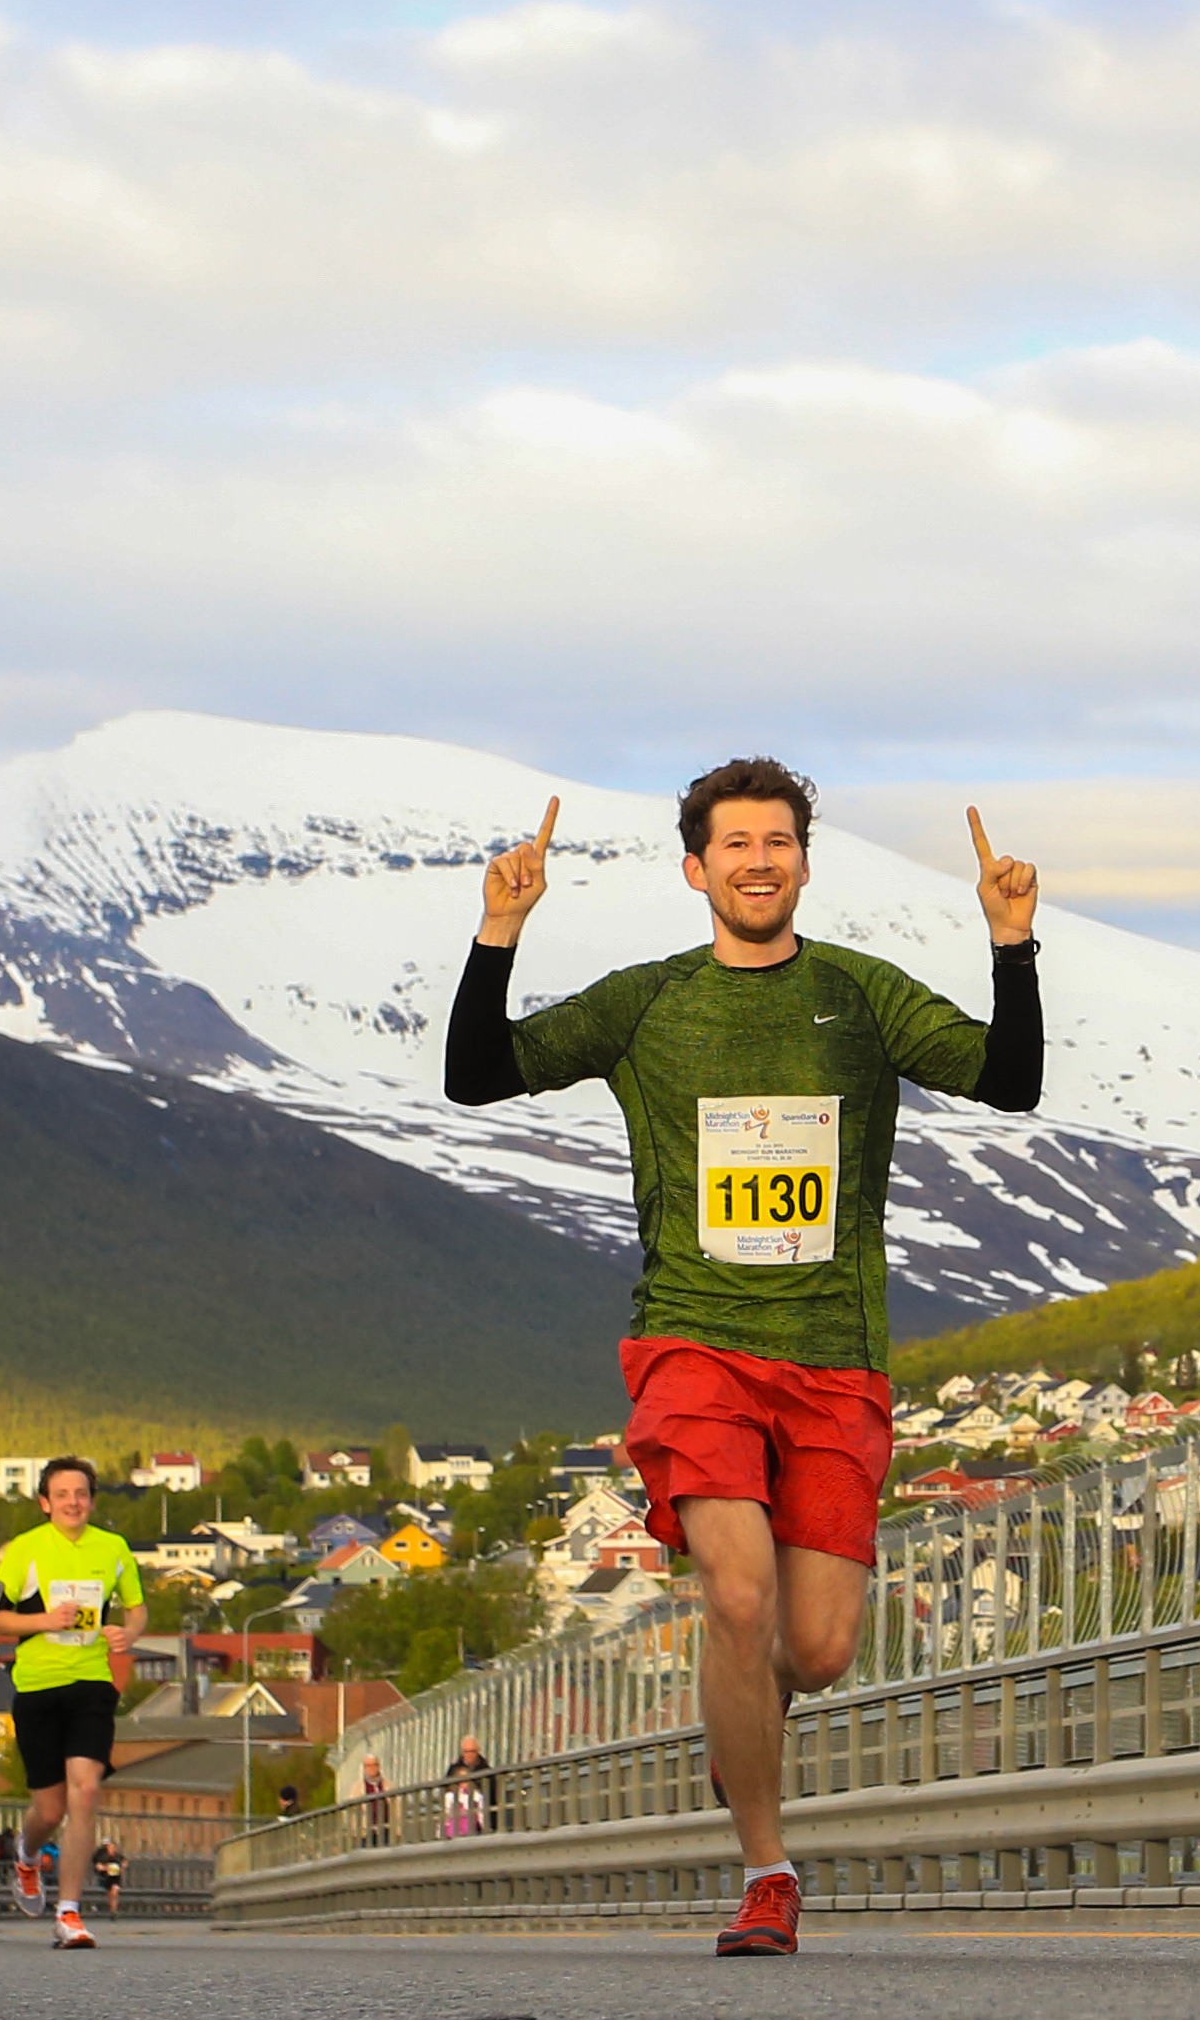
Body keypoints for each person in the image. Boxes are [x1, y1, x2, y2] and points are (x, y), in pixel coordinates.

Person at [443, 755, 1041, 1954]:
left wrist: (1011, 944)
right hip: (694, 1342)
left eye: (778, 842)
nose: (758, 860)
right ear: (695, 868)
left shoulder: (861, 997)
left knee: (814, 1649)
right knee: (737, 1590)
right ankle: (768, 1869)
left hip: (834, 1356)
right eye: (736, 844)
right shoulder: (647, 1003)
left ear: (804, 864)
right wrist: (498, 933)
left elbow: (1009, 1081)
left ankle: (747, 1731)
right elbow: (475, 1076)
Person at [0, 1456, 145, 1950]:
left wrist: (128, 1632)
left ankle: (70, 1913)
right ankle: (27, 1854)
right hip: (37, 1686)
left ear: (91, 1500)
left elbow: (137, 1609)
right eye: (62, 1495)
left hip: (92, 1684)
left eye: (81, 1494)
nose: (73, 1502)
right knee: (49, 1809)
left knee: (87, 1791)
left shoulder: (114, 1548)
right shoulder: (26, 1550)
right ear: (45, 1503)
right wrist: (45, 1622)